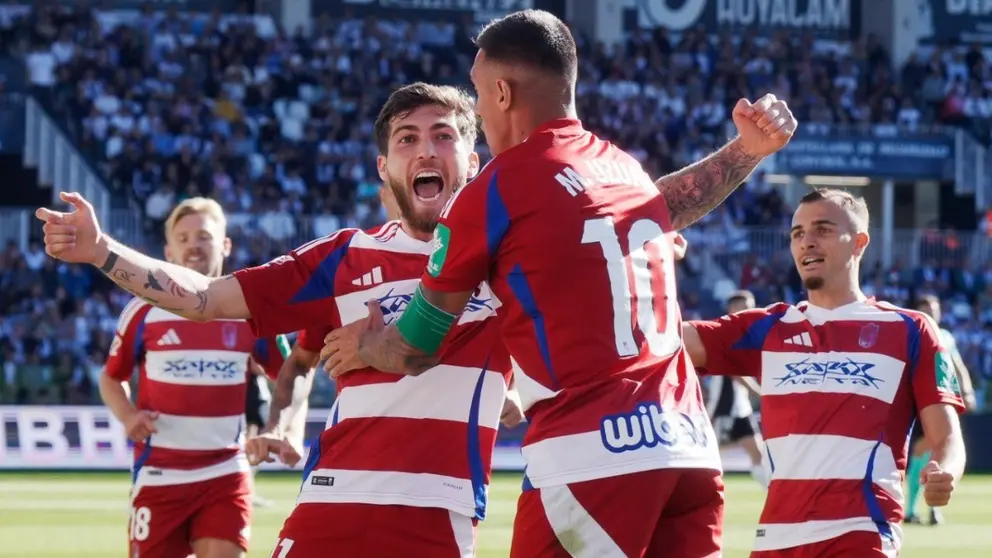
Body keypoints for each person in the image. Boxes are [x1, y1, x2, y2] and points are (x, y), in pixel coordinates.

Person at [328, 10, 797, 557]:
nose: (477, 109)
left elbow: (414, 348)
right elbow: (668, 203)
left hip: (592, 459)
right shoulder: (623, 170)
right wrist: (745, 150)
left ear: (502, 93)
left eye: (478, 93)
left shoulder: (496, 190)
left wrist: (366, 344)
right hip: (688, 451)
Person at [37, 82, 522, 557]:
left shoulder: (509, 261)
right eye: (407, 139)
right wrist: (102, 251)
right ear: (384, 166)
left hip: (440, 512)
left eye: (443, 136)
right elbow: (207, 298)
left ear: (472, 161)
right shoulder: (343, 257)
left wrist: (515, 385)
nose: (426, 151)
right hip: (331, 502)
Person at [681, 188, 967, 557]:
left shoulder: (911, 330)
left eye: (823, 230)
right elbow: (666, 338)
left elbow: (947, 436)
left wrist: (945, 470)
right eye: (797, 233)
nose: (807, 242)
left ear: (859, 243)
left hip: (860, 536)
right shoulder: (767, 328)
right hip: (774, 541)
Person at [98, 198, 287, 558]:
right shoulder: (143, 310)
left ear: (225, 245)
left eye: (204, 236)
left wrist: (276, 426)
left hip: (225, 473)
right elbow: (110, 378)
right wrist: (129, 416)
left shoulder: (249, 309)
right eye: (183, 239)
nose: (193, 246)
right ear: (168, 252)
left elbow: (291, 375)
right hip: (159, 473)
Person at [904, 294, 977, 525]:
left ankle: (929, 509)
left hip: (940, 399)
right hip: (917, 400)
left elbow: (957, 365)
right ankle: (914, 509)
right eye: (926, 309)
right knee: (922, 452)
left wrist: (967, 391)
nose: (931, 313)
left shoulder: (944, 336)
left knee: (935, 450)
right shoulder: (910, 332)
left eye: (934, 309)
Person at [704, 290, 768, 488]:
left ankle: (775, 497)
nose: (750, 310)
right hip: (724, 407)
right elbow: (734, 372)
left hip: (741, 407)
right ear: (732, 309)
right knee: (708, 456)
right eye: (745, 306)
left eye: (751, 306)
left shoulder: (748, 335)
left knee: (758, 454)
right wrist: (759, 392)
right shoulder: (726, 332)